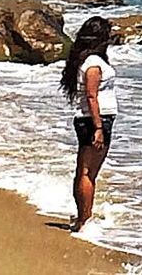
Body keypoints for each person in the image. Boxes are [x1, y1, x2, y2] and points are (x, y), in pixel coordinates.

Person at [59, 16, 118, 232]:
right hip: (95, 120)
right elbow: (92, 97)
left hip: (91, 119)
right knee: (87, 173)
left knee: (84, 171)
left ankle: (81, 218)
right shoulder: (93, 64)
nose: (110, 38)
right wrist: (99, 128)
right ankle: (85, 220)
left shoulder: (88, 60)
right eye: (108, 34)